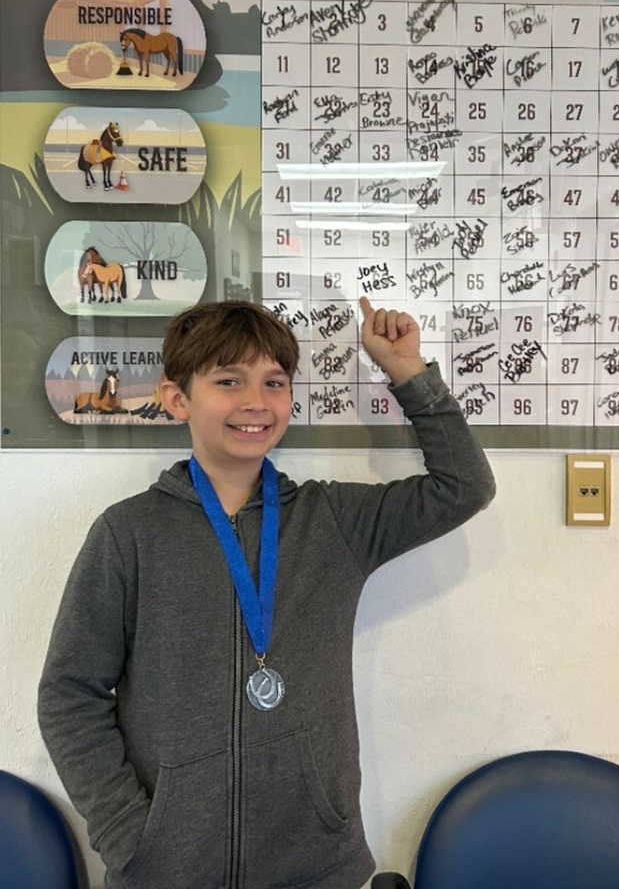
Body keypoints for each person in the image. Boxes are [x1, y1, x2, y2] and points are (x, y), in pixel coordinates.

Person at [38, 296, 496, 889]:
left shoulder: (333, 520)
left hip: (318, 863)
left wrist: (406, 370)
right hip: (169, 871)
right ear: (178, 398)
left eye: (274, 382)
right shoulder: (128, 534)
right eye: (229, 381)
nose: (255, 401)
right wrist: (130, 835)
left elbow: (464, 487)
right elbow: (70, 695)